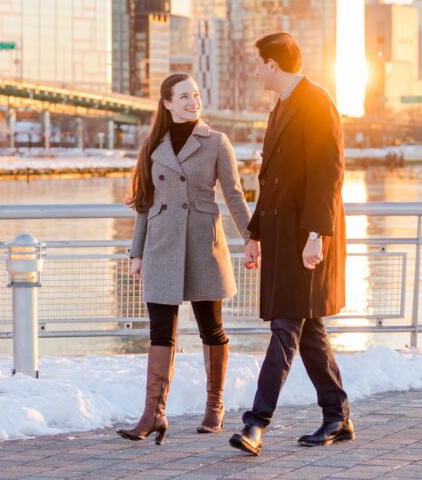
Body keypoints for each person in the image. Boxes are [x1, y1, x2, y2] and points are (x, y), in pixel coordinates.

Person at [229, 32, 353, 456]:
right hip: (284, 236)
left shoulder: (317, 101)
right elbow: (271, 180)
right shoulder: (281, 106)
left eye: (259, 63)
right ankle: (337, 415)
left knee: (285, 327)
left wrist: (317, 235)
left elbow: (328, 173)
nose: (256, 70)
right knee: (308, 327)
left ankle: (255, 423)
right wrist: (256, 234)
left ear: (275, 65)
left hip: (307, 238)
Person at [116, 73, 251, 445]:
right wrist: (137, 252)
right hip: (161, 246)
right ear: (167, 103)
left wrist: (252, 238)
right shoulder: (152, 146)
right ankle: (153, 413)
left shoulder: (216, 143)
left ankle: (215, 405)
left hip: (202, 244)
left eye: (196, 95)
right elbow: (143, 203)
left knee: (211, 327)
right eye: (184, 96)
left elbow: (235, 197)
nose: (193, 101)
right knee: (161, 331)